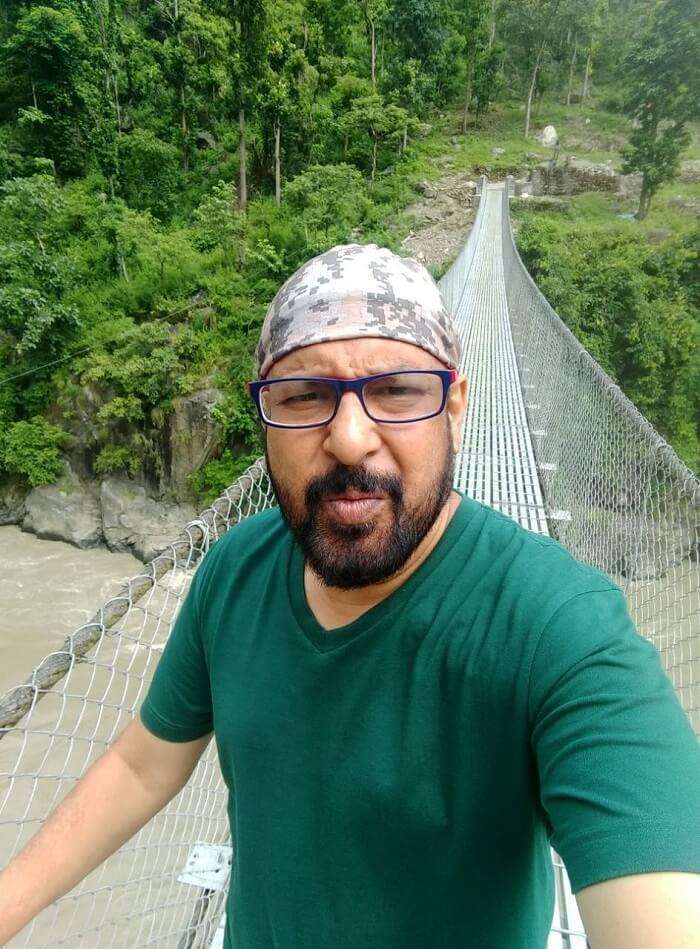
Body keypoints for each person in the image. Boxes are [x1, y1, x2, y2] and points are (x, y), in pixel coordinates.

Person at [1, 243, 699, 948]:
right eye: (304, 395)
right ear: (264, 418)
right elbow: (141, 764)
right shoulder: (235, 570)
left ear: (455, 406)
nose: (349, 437)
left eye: (398, 390)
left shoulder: (558, 627)